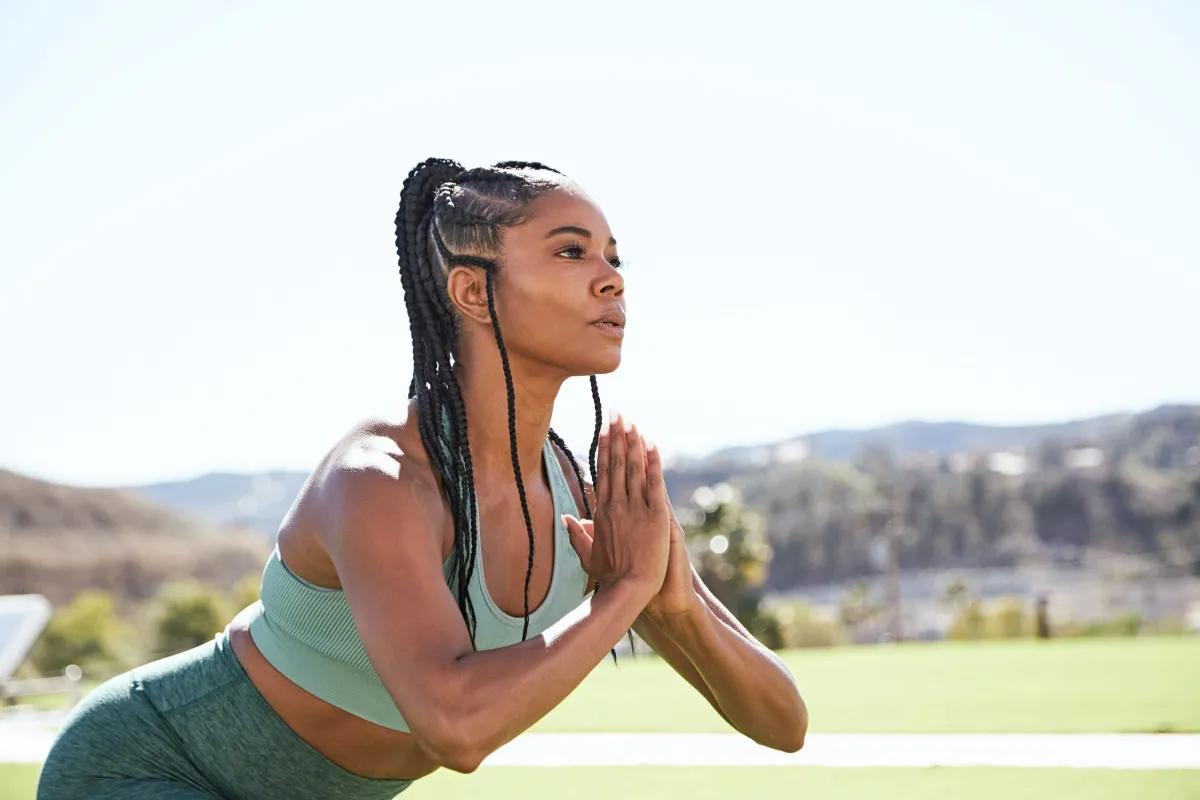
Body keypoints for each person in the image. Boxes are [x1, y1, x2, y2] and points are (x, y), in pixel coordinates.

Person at [37, 158, 807, 799]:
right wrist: (624, 596)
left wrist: (673, 604)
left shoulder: (585, 495)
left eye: (614, 257)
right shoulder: (379, 479)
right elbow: (457, 727)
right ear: (473, 292)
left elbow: (783, 723)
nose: (611, 280)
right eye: (572, 252)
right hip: (148, 767)